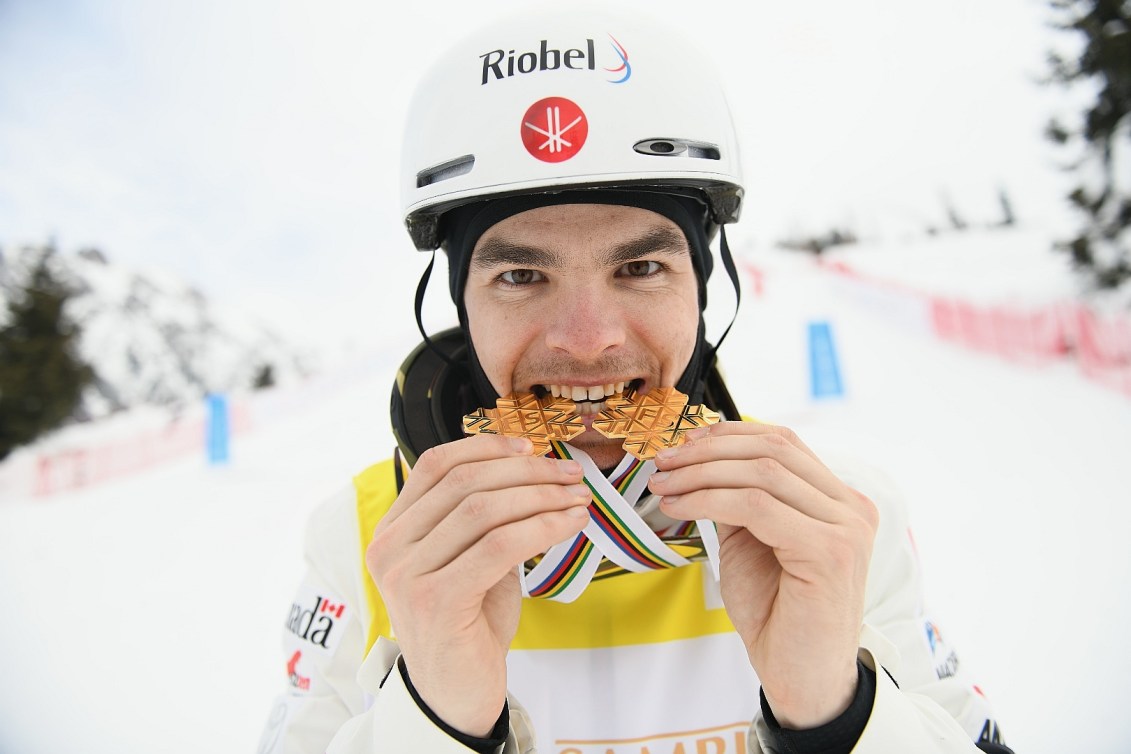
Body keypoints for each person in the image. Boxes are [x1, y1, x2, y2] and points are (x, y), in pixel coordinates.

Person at [258, 9, 1014, 754]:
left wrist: (835, 717)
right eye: (520, 275)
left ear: (703, 288)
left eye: (641, 267)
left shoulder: (832, 519)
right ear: (460, 306)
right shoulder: (367, 535)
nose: (588, 340)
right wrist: (432, 720)